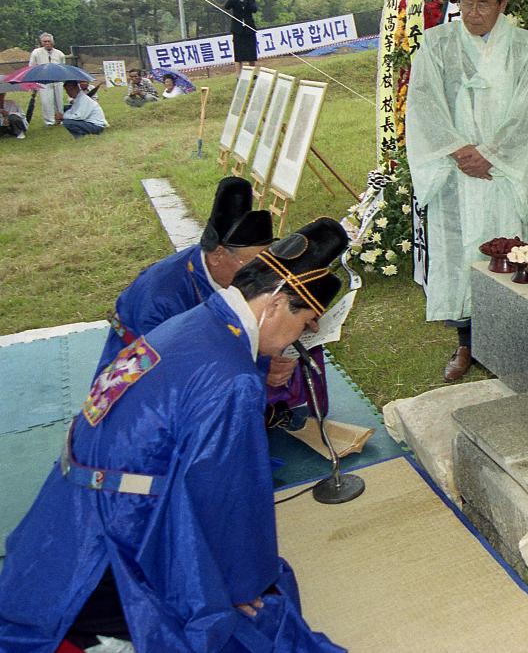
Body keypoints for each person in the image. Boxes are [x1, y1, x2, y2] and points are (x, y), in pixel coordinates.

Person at [0, 219, 349, 652]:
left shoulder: (194, 322)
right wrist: (239, 584)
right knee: (261, 614)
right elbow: (226, 492)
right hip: (121, 530)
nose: (303, 335)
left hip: (65, 513)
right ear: (276, 304)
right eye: (307, 321)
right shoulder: (232, 378)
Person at [404, 0, 528, 381]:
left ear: (503, 4)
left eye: (483, 4)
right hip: (455, 174)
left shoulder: (526, 48)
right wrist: (457, 150)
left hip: (503, 173)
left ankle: (510, 345)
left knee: (510, 253)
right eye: (465, 2)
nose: (471, 12)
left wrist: (491, 153)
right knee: (461, 258)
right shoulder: (437, 44)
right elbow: (424, 103)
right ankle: (467, 345)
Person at [97, 176, 274, 374]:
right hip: (139, 377)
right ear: (218, 255)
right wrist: (255, 369)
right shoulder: (160, 298)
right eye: (254, 263)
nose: (260, 273)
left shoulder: (230, 271)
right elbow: (167, 373)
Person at [28, 32, 65, 126]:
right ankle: (49, 121)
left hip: (57, 80)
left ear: (52, 42)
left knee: (59, 101)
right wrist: (34, 82)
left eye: (49, 41)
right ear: (41, 42)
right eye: (45, 41)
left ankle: (59, 119)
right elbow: (32, 67)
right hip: (43, 80)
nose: (47, 43)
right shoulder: (36, 52)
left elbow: (63, 67)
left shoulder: (59, 53)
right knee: (46, 101)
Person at [225, 0, 259, 66]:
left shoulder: (251, 0)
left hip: (249, 29)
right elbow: (227, 6)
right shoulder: (234, 0)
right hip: (238, 30)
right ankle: (239, 76)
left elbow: (254, 9)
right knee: (238, 56)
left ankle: (252, 75)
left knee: (251, 54)